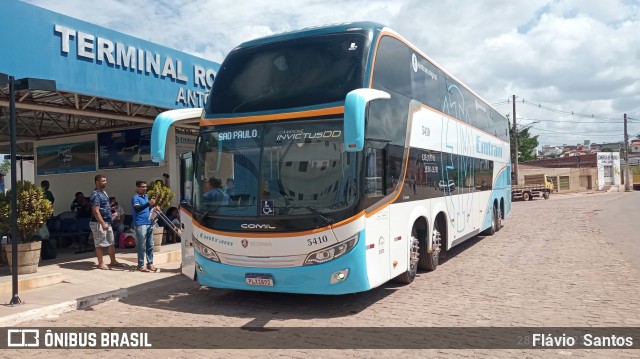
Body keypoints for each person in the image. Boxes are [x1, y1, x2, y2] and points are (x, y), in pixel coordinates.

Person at [89, 174, 123, 270]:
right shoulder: (95, 194)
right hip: (98, 223)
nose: (106, 182)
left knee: (111, 242)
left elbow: (104, 206)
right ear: (97, 182)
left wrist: (111, 210)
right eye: (103, 181)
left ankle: (113, 261)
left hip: (108, 222)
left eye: (105, 180)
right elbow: (96, 211)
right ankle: (101, 263)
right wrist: (102, 223)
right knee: (99, 243)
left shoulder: (104, 193)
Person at [131, 180, 157, 272]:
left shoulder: (146, 196)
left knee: (150, 245)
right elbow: (137, 208)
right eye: (142, 187)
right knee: (142, 245)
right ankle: (140, 265)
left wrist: (153, 207)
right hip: (140, 224)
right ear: (137, 188)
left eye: (145, 187)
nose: (145, 188)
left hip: (149, 222)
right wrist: (148, 203)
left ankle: (150, 263)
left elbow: (147, 208)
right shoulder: (135, 198)